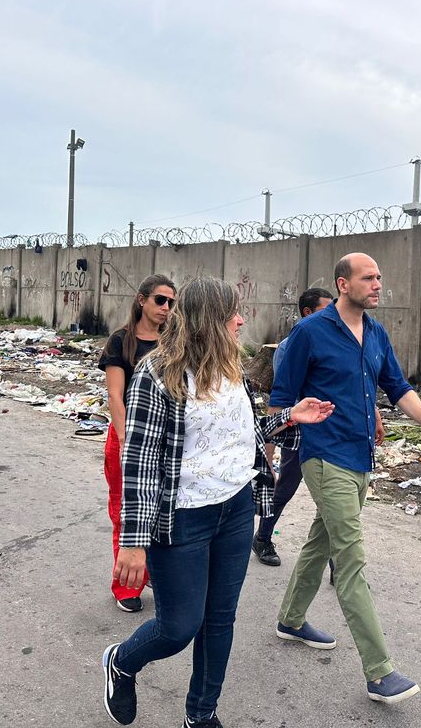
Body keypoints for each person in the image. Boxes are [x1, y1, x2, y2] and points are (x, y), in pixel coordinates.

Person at [101, 277, 334, 728]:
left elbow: (237, 440)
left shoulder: (231, 370)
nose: (241, 320)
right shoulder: (157, 375)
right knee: (179, 626)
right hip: (181, 518)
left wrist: (289, 417)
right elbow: (142, 459)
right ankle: (122, 661)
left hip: (235, 509)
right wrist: (133, 542)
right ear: (209, 319)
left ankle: (201, 714)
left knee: (220, 620)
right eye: (233, 313)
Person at [270, 252, 421, 704]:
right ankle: (379, 671)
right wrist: (271, 447)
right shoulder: (309, 332)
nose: (377, 284)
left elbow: (399, 386)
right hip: (323, 455)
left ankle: (291, 619)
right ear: (342, 284)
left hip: (359, 456)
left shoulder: (375, 333)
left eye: (379, 277)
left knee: (324, 537)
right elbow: (281, 395)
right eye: (368, 278)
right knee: (350, 560)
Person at [252, 287, 386, 568]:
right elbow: (282, 397)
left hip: (338, 434)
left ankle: (340, 561)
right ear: (308, 313)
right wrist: (269, 452)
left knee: (337, 500)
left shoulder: (351, 337)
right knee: (286, 487)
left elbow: (357, 382)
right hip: (305, 432)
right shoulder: (294, 345)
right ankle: (263, 537)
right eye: (328, 308)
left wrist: (372, 412)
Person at [98, 274, 176, 613]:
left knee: (162, 512)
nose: (166, 308)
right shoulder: (122, 341)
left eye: (172, 303)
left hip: (166, 442)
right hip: (127, 440)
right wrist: (126, 441)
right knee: (126, 512)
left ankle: (154, 572)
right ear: (141, 300)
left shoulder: (173, 342)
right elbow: (115, 395)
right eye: (160, 300)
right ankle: (126, 586)